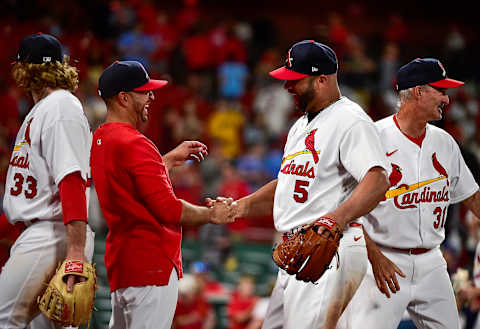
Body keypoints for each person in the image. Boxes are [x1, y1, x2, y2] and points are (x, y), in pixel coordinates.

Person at [209, 40, 390, 329]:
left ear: (322, 79)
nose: (287, 86)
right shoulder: (300, 126)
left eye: (296, 80)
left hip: (329, 248)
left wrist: (336, 220)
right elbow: (287, 185)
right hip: (298, 249)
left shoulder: (350, 119)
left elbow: (378, 179)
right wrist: (238, 207)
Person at [90, 60, 238, 329]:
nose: (151, 96)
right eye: (144, 91)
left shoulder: (100, 139)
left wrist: (165, 161)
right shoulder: (136, 143)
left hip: (123, 263)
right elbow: (169, 210)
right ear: (123, 97)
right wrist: (211, 214)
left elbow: (131, 182)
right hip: (152, 265)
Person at [338, 58, 480, 329]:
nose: (447, 100)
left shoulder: (445, 143)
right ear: (418, 91)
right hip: (381, 260)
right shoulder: (373, 137)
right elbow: (344, 207)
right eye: (440, 90)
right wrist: (374, 257)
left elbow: (472, 197)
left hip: (432, 262)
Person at [0, 33, 95, 328]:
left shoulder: (59, 107)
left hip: (53, 233)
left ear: (24, 69)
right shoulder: (46, 109)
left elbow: (72, 179)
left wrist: (76, 253)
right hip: (48, 232)